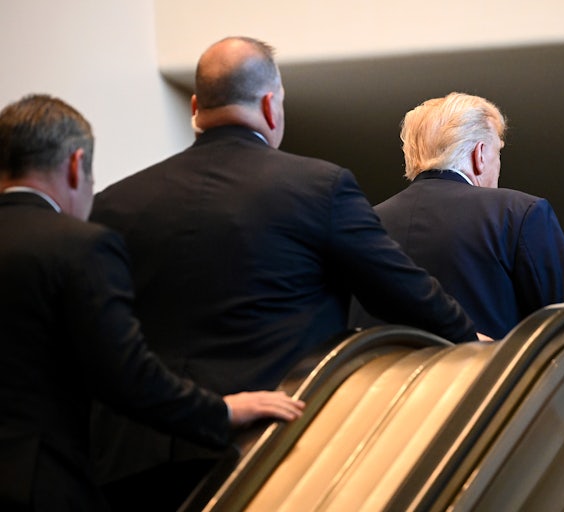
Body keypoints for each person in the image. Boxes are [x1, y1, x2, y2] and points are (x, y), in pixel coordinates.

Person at [88, 37, 477, 506]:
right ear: (271, 105)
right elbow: (400, 288)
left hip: (133, 458)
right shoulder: (317, 186)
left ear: (195, 107)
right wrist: (468, 338)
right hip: (268, 451)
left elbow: (101, 334)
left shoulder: (114, 203)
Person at [0, 94, 305, 511]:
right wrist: (222, 410)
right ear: (76, 165)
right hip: (39, 483)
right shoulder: (77, 246)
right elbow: (126, 376)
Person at [350, 92, 564, 340]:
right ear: (480, 155)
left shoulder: (364, 226)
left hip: (378, 415)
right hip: (487, 406)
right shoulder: (516, 213)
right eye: (499, 153)